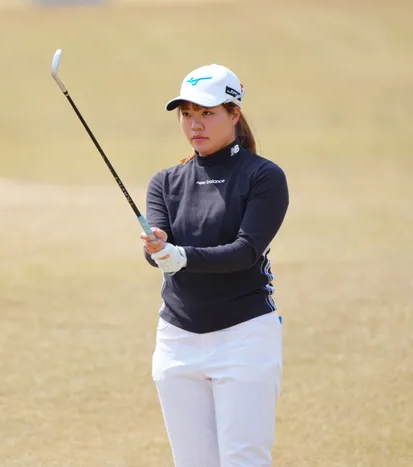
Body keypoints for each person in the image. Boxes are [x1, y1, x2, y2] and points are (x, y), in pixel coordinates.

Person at [140, 64, 290, 467]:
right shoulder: (165, 182)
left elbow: (246, 251)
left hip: (244, 336)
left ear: (234, 113)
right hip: (178, 339)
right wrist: (158, 247)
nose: (195, 124)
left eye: (207, 113)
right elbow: (158, 249)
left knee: (243, 459)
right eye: (187, 114)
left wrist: (181, 256)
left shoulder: (263, 176)